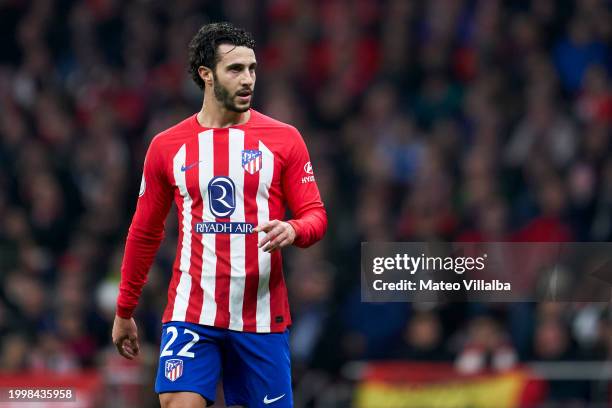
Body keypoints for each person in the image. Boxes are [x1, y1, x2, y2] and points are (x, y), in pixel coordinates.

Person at [111, 22, 327, 408]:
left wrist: (294, 229)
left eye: (252, 69)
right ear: (205, 75)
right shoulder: (166, 147)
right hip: (192, 313)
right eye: (235, 69)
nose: (248, 79)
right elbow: (145, 232)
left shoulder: (285, 139)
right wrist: (125, 308)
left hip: (260, 318)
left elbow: (315, 215)